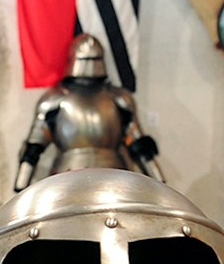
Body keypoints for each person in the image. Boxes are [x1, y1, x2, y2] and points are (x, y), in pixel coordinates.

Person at [13, 34, 163, 192]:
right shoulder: (55, 99)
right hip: (85, 176)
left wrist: (20, 186)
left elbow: (140, 146)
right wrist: (160, 183)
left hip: (101, 176)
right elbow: (33, 149)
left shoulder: (119, 99)